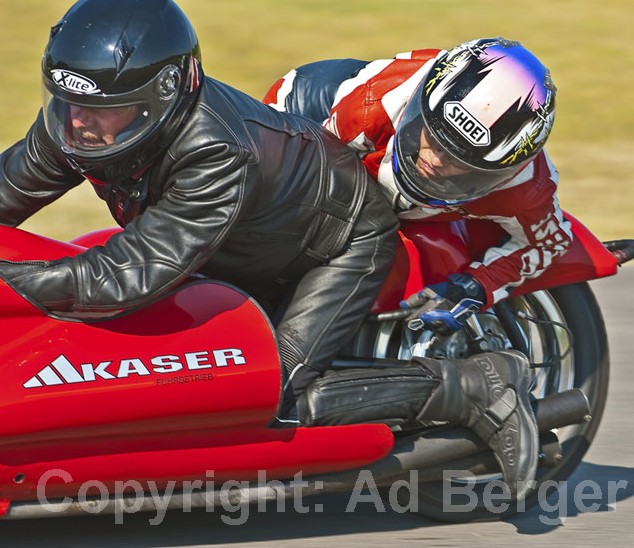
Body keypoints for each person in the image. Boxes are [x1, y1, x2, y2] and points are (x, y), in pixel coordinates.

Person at [0, 0, 538, 500]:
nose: (76, 122)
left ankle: (469, 386)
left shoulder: (213, 149)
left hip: (340, 243)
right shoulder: (81, 125)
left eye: (102, 108)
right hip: (242, 243)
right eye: (67, 101)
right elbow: (9, 190)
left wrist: (10, 280)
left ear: (158, 100)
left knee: (267, 393)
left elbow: (133, 273)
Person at [264, 39, 573, 329]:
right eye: (435, 139)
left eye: (463, 162)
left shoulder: (524, 186)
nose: (437, 161)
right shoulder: (374, 106)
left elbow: (548, 242)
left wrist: (472, 287)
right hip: (311, 117)